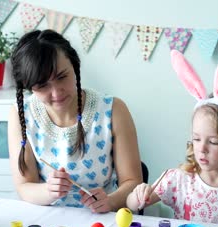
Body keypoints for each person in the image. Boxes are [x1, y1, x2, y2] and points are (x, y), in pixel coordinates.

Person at [127, 46, 218, 223]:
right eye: (196, 139)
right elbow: (133, 205)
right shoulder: (179, 179)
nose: (202, 148)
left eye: (214, 141)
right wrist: (138, 195)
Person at [8, 29, 142, 213]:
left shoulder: (113, 110)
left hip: (104, 220)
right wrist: (48, 191)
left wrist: (110, 201)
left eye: (62, 77)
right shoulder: (21, 115)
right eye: (42, 85)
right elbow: (24, 186)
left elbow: (133, 182)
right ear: (29, 86)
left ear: (75, 65)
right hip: (48, 223)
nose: (56, 92)